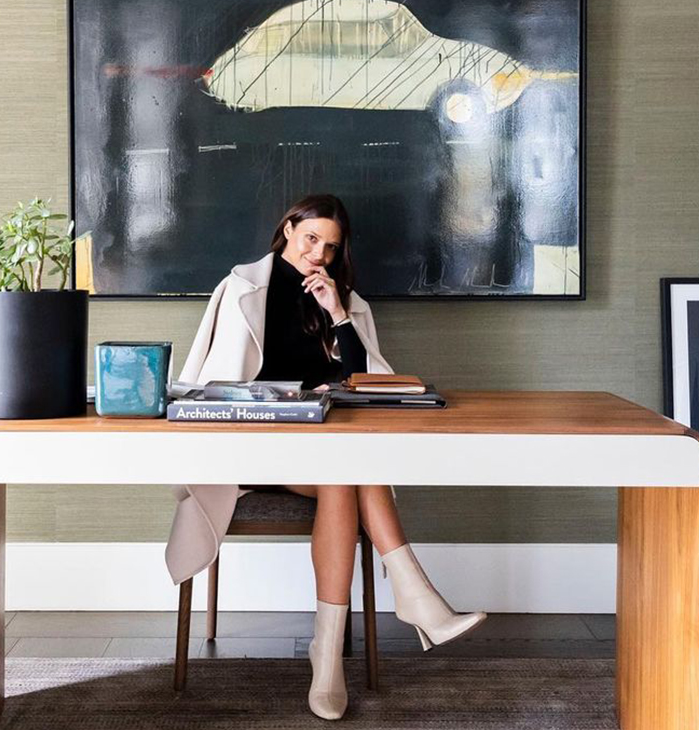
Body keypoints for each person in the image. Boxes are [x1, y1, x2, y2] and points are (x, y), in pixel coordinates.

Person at [167, 194, 487, 720]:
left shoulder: (345, 302)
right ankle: (415, 595)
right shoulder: (241, 288)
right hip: (245, 447)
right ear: (288, 229)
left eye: (330, 248)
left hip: (315, 452)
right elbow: (210, 381)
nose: (318, 254)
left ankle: (329, 662)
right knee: (348, 468)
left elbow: (368, 383)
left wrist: (337, 314)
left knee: (343, 472)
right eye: (310, 238)